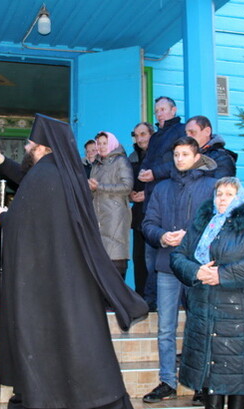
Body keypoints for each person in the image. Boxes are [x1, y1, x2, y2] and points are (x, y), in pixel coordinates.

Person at [0, 114, 148, 409]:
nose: (27, 149)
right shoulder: (69, 175)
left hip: (47, 284)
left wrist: (4, 218)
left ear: (43, 147)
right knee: (81, 342)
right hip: (73, 279)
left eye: (30, 145)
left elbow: (24, 225)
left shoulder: (42, 176)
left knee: (52, 345)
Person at [170, 177, 244, 409]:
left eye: (229, 194)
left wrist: (222, 275)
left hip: (240, 319)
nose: (222, 199)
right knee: (209, 377)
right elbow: (178, 256)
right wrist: (196, 271)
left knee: (239, 379)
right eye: (219, 194)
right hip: (205, 314)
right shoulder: (201, 226)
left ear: (239, 198)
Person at [142, 136, 217, 404]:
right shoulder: (161, 189)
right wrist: (162, 237)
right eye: (176, 155)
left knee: (198, 326)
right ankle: (167, 382)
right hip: (167, 266)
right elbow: (148, 223)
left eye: (185, 154)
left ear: (197, 157)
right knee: (165, 328)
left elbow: (218, 225)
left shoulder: (211, 187)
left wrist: (191, 238)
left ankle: (201, 385)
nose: (180, 159)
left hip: (198, 268)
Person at [139, 97, 186, 317]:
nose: (159, 113)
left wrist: (155, 173)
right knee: (151, 257)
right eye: (157, 110)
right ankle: (153, 300)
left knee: (168, 257)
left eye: (163, 109)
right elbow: (147, 161)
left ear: (173, 110)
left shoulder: (180, 131)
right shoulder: (156, 135)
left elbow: (178, 162)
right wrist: (144, 173)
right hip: (152, 202)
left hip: (171, 202)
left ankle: (168, 302)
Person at [89, 131, 133, 278]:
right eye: (99, 143)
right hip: (99, 215)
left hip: (116, 216)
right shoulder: (96, 164)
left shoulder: (121, 161)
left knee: (116, 257)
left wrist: (99, 187)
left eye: (104, 143)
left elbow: (127, 186)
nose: (101, 146)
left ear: (112, 143)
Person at [129, 122, 152, 300]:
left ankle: (152, 299)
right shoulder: (132, 157)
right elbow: (127, 182)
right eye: (137, 135)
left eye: (143, 134)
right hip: (138, 215)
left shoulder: (158, 155)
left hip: (154, 214)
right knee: (138, 258)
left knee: (152, 259)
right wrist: (130, 194)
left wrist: (147, 194)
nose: (140, 138)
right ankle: (140, 297)